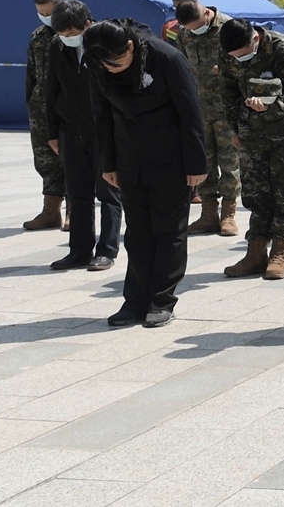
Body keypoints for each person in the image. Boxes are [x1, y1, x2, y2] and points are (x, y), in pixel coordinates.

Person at [84, 19, 207, 327]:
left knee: (169, 230)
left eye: (116, 62)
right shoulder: (98, 62)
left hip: (171, 157)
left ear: (130, 46)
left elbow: (191, 113)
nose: (111, 68)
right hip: (128, 157)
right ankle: (134, 300)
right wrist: (107, 163)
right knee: (138, 232)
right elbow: (101, 115)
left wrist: (196, 165)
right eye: (104, 64)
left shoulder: (166, 58)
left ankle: (162, 300)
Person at [217, 17, 284, 280]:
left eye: (243, 55)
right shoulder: (228, 52)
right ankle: (255, 253)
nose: (238, 60)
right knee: (255, 194)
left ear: (255, 39)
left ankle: (279, 252)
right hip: (250, 135)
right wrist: (235, 129)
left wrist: (268, 107)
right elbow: (228, 93)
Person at [44, 0, 121, 271]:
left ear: (87, 25)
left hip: (102, 133)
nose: (66, 39)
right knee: (77, 194)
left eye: (69, 33)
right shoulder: (57, 47)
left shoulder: (106, 44)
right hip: (69, 131)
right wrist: (53, 132)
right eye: (62, 35)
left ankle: (107, 250)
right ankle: (78, 250)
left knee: (108, 192)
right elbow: (51, 88)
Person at [171, 0, 239, 237]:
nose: (193, 32)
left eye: (197, 26)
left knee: (230, 161)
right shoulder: (183, 33)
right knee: (204, 160)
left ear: (207, 13)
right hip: (197, 109)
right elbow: (178, 65)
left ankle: (228, 214)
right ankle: (208, 214)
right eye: (189, 29)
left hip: (225, 107)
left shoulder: (230, 27)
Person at [24, 0, 69, 232]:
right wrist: (30, 101)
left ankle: (75, 211)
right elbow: (31, 72)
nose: (45, 17)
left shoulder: (74, 35)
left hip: (67, 108)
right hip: (41, 109)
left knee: (71, 160)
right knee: (45, 160)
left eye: (49, 13)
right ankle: (51, 211)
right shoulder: (38, 36)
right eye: (40, 13)